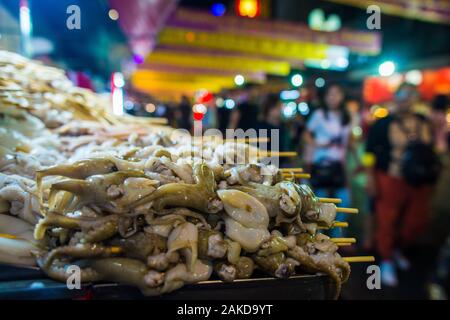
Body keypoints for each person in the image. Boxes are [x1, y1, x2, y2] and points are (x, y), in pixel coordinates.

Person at [365, 83, 436, 286]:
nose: (406, 98)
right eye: (402, 94)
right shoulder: (382, 124)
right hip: (390, 178)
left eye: (411, 94)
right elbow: (369, 153)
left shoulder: (424, 122)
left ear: (417, 98)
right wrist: (371, 179)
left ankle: (397, 249)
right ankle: (386, 259)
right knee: (387, 220)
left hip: (418, 182)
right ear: (395, 97)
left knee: (415, 222)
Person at [304, 84, 353, 237]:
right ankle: (318, 236)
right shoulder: (319, 114)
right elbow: (306, 135)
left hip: (339, 164)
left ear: (342, 96)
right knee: (320, 201)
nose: (333, 97)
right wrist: (318, 144)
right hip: (320, 163)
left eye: (337, 93)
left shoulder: (346, 115)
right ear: (325, 97)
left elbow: (348, 141)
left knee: (345, 200)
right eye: (330, 94)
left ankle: (337, 236)